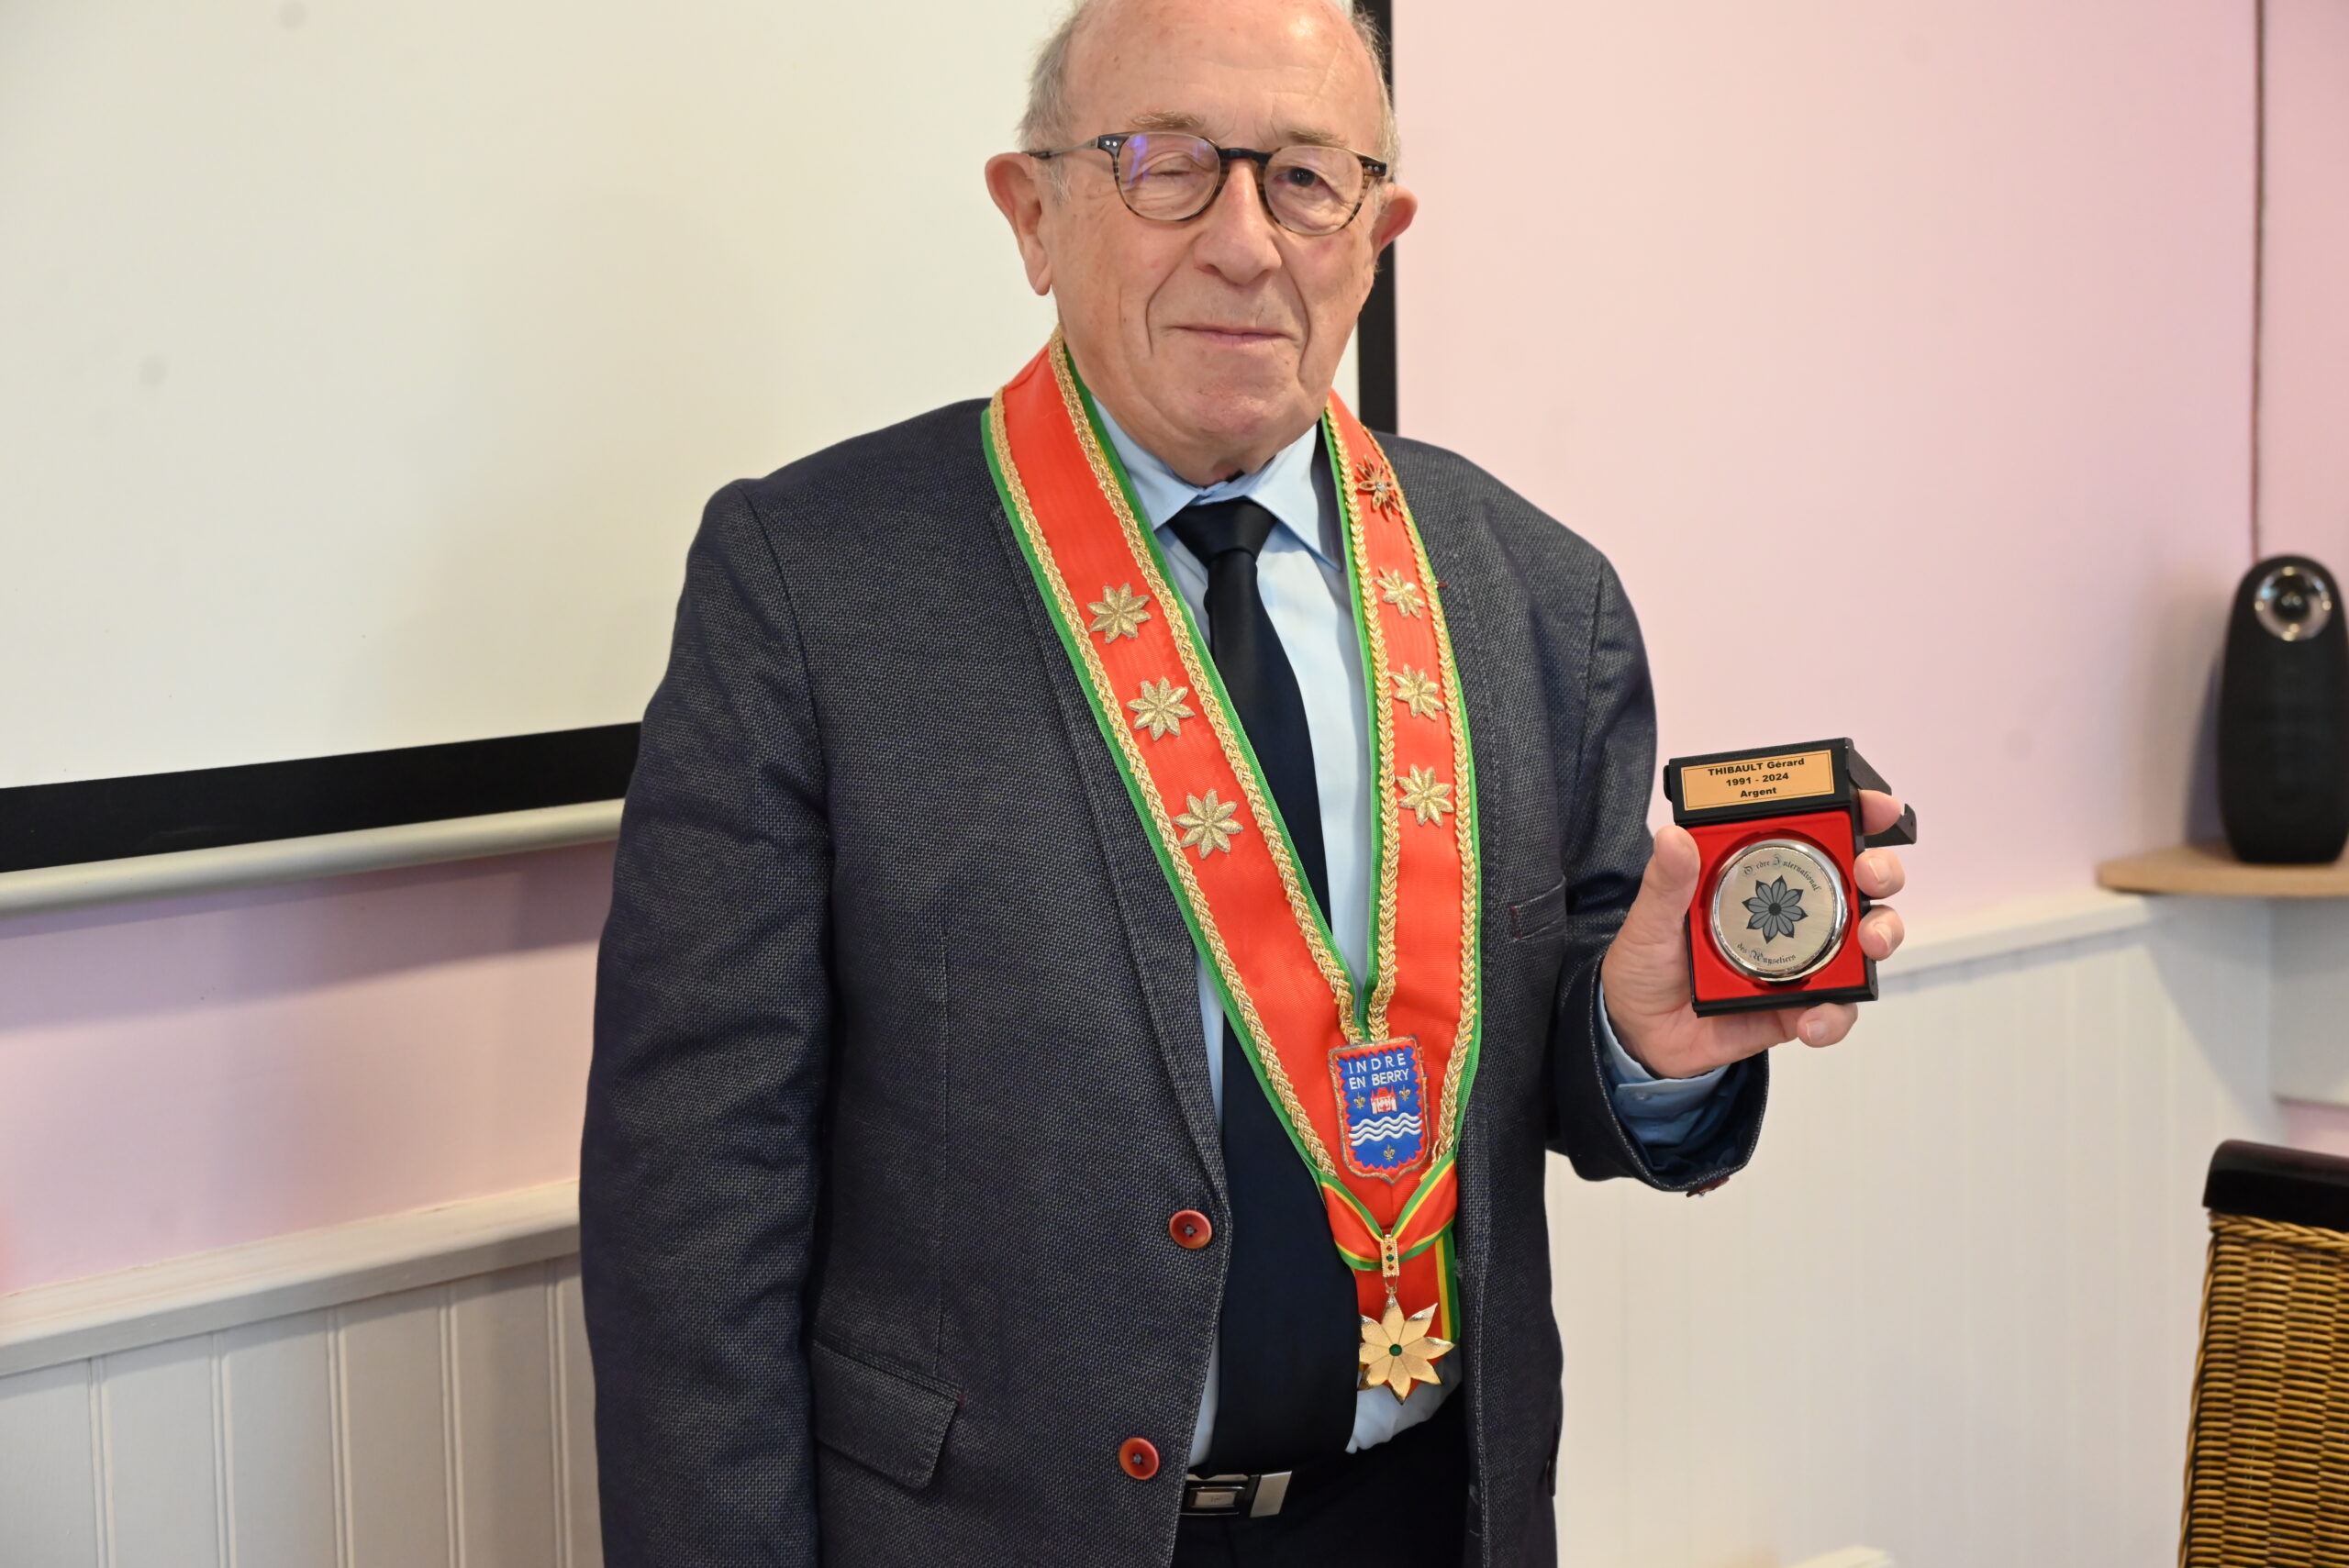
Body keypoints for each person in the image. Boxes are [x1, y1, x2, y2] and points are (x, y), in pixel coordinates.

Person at [578, 1, 1909, 1563]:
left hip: (1425, 1519)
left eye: (1303, 179)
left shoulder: (1542, 596)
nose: (1242, 240)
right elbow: (694, 1200)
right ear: (1033, 211)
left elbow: (1554, 1075)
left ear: (1378, 228)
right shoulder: (811, 588)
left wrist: (1639, 1040)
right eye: (1165, 166)